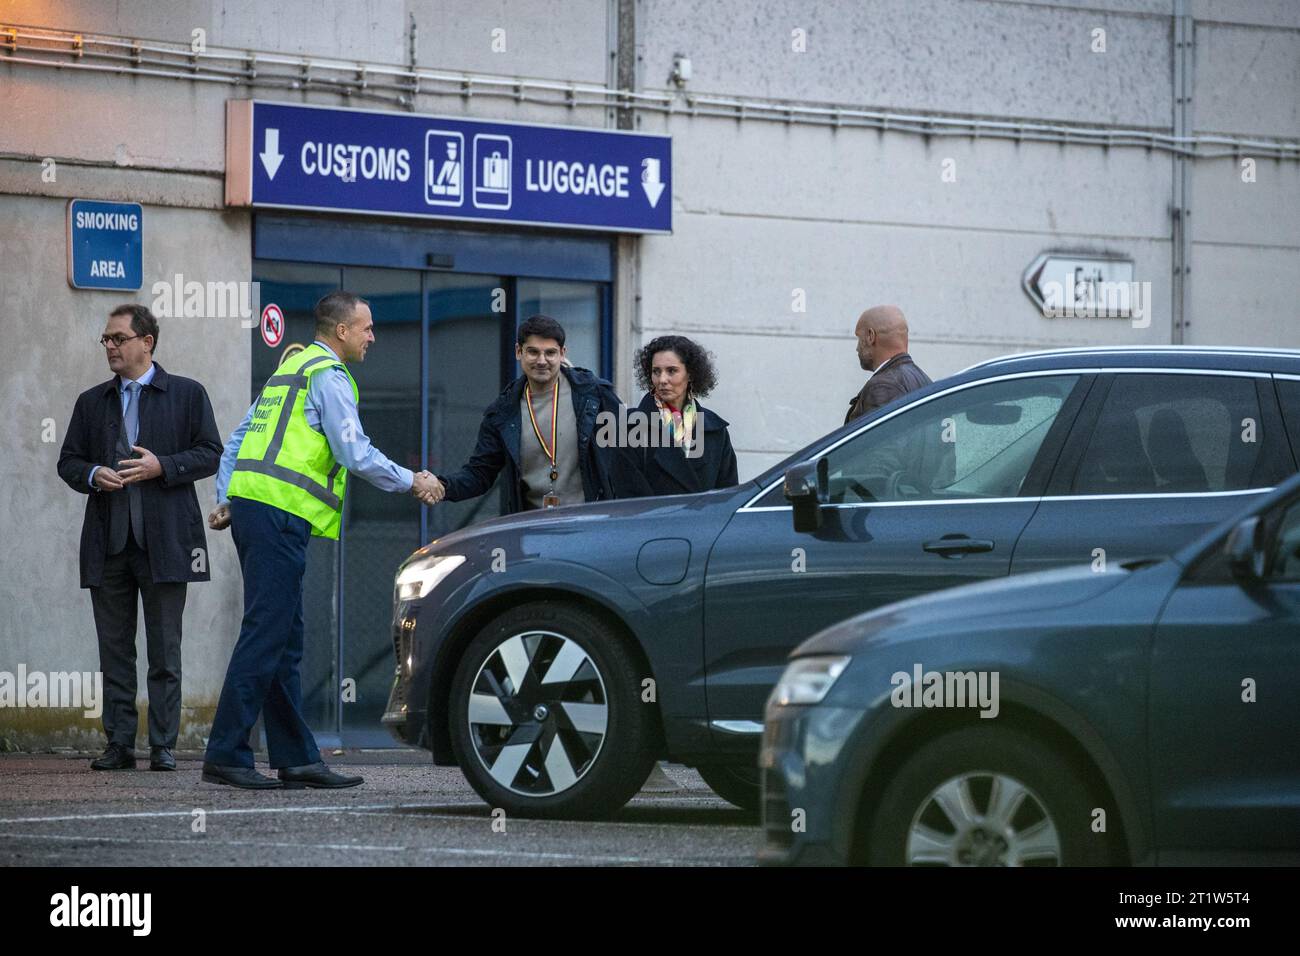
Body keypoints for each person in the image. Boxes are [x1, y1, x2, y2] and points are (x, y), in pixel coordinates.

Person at [203, 291, 441, 790]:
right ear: (342, 332)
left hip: (258, 511)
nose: (373, 336)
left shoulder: (289, 371)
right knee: (266, 634)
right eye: (367, 327)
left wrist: (228, 496)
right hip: (278, 515)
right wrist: (411, 479)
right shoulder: (330, 377)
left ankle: (296, 758)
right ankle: (226, 752)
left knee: (285, 641)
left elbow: (238, 438)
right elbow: (353, 451)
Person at [57, 304, 222, 772]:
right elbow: (67, 461)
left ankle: (164, 744)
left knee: (165, 649)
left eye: (118, 338)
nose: (109, 346)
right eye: (106, 340)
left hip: (167, 542)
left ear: (146, 342)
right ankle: (120, 744)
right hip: (108, 544)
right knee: (114, 650)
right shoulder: (92, 402)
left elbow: (211, 453)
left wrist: (161, 466)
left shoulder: (187, 394)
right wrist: (91, 473)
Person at [431, 314, 634, 512]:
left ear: (562, 353)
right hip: (532, 529)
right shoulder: (503, 412)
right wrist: (441, 486)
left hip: (591, 524)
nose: (542, 360)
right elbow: (480, 473)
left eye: (550, 353)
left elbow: (632, 447)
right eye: (533, 352)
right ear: (519, 352)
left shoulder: (594, 395)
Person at [627, 334, 737, 495]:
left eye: (671, 371)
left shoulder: (716, 430)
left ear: (690, 374)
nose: (662, 379)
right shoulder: (630, 427)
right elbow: (628, 501)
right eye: (656, 371)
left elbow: (728, 497)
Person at [845, 305, 933, 424]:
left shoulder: (883, 386)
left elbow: (882, 441)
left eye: (859, 339)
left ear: (871, 336)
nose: (857, 348)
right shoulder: (925, 380)